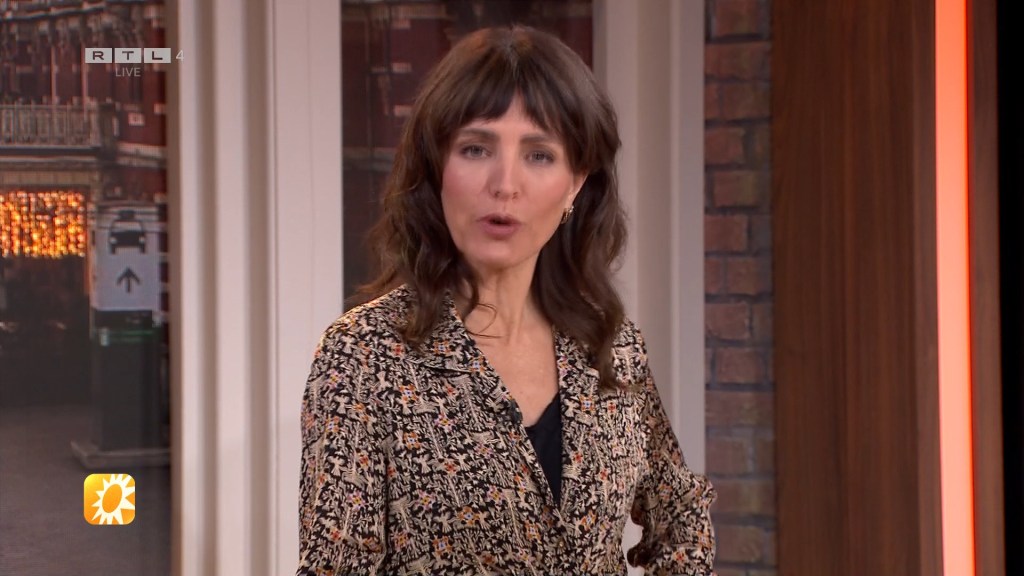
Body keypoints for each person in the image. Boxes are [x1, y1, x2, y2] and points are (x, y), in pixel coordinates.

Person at [297, 25, 716, 575]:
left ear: (575, 184)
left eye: (539, 155)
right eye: (476, 149)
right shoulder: (364, 355)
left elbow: (682, 514)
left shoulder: (610, 347)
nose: (505, 183)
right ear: (436, 168)